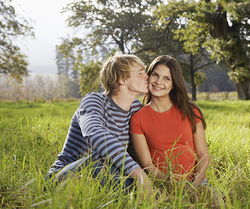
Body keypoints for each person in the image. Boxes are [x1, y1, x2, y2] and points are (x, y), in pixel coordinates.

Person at [46, 54, 153, 192]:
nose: (147, 76)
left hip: (104, 172)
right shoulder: (94, 101)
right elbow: (95, 134)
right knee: (100, 160)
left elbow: (137, 151)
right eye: (140, 73)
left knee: (130, 186)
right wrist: (138, 173)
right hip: (65, 173)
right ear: (122, 79)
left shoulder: (135, 109)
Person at [130, 55, 210, 186]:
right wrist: (173, 186)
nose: (158, 82)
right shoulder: (138, 118)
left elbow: (203, 156)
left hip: (196, 182)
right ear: (148, 77)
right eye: (155, 75)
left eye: (166, 78)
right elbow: (147, 165)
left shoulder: (190, 111)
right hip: (161, 184)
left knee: (216, 201)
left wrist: (194, 185)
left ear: (174, 84)